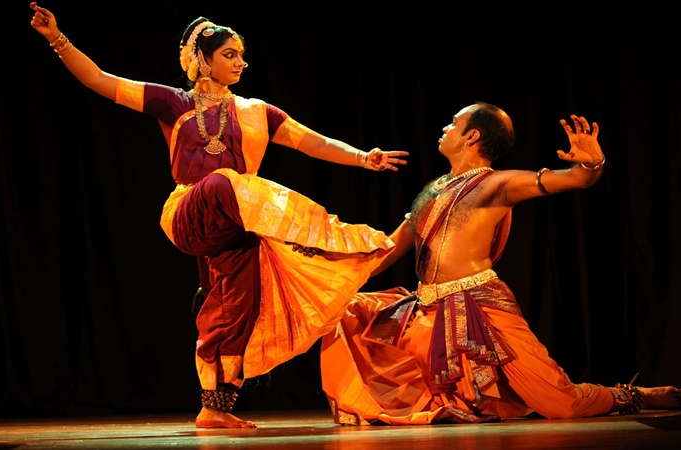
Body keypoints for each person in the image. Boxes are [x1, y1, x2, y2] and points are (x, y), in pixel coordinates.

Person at [29, 3, 409, 428]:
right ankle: (318, 234)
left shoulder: (257, 112)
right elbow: (100, 80)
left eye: (241, 55)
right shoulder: (173, 103)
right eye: (229, 54)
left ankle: (215, 406)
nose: (240, 62)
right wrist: (55, 38)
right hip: (191, 211)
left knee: (235, 310)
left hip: (235, 224)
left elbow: (312, 143)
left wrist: (363, 158)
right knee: (225, 179)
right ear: (201, 60)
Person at [320, 102, 681, 425]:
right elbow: (387, 250)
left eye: (454, 123)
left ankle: (630, 396)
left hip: (481, 308)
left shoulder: (496, 184)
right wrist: (328, 278)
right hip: (426, 313)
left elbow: (576, 179)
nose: (446, 127)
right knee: (343, 310)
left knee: (560, 404)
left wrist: (591, 163)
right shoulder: (431, 192)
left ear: (472, 137)